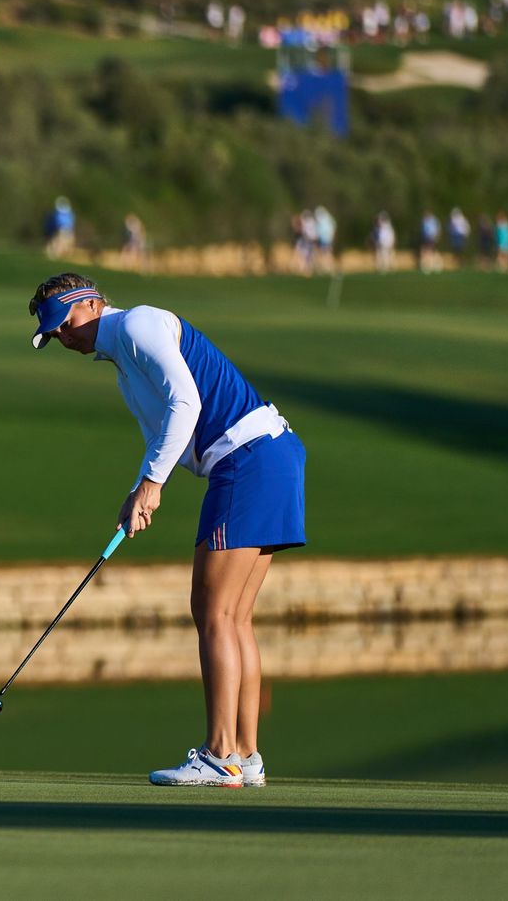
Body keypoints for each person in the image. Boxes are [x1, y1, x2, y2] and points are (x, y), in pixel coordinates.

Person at [27, 273, 305, 788]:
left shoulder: (139, 324)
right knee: (234, 616)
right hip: (264, 456)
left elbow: (188, 404)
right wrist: (138, 493)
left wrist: (152, 485)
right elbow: (163, 437)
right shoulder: (125, 369)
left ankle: (221, 755)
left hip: (247, 459)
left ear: (89, 303)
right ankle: (245, 755)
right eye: (54, 334)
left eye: (63, 323)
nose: (63, 338)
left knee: (214, 612)